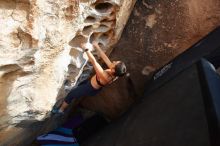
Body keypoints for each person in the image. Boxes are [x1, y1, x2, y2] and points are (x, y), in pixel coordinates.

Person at [52, 42, 127, 114]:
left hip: (89, 88)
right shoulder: (115, 73)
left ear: (114, 69)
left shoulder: (105, 76)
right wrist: (97, 46)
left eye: (115, 62)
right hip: (92, 83)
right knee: (78, 87)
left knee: (71, 95)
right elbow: (105, 58)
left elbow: (94, 62)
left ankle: (61, 110)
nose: (113, 61)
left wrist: (86, 49)